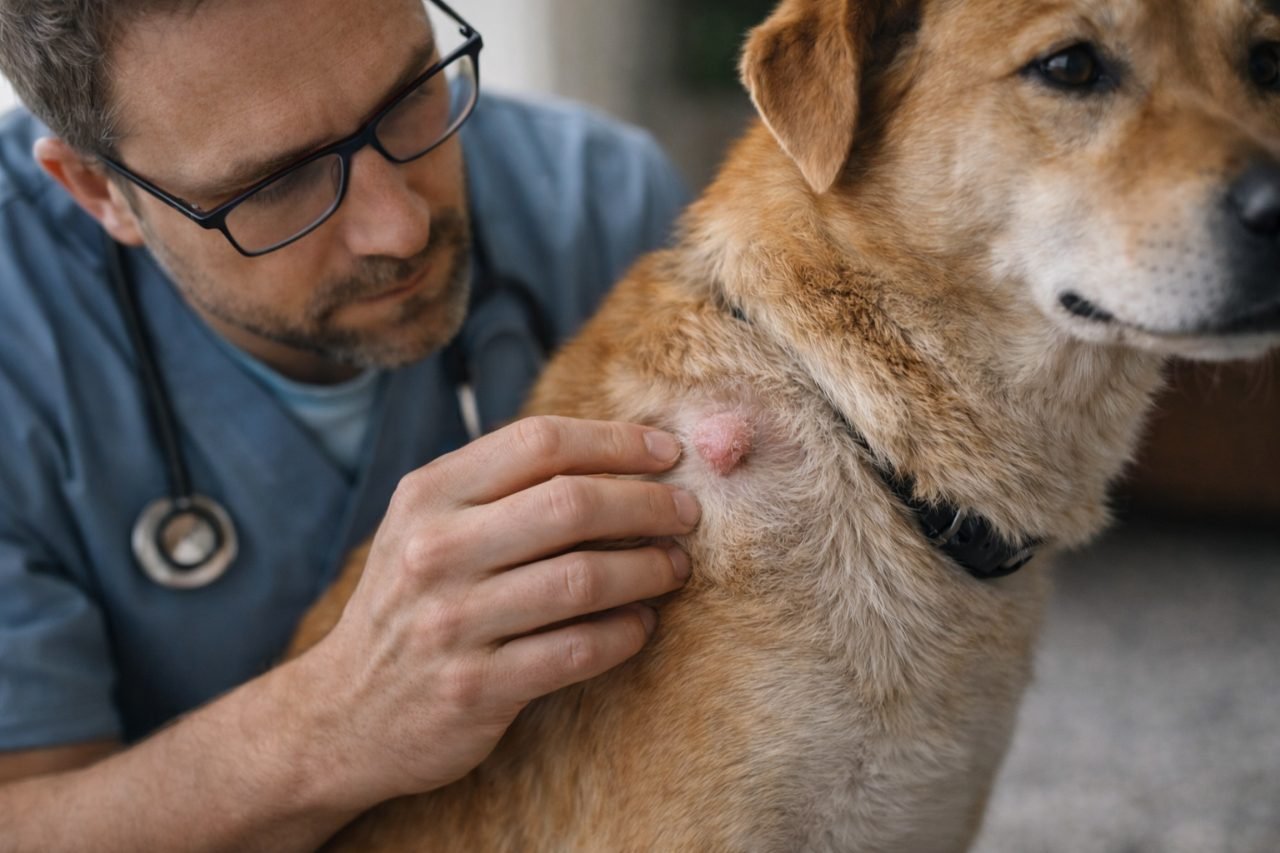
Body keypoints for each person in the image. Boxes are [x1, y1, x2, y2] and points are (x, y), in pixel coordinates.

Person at [0, 0, 700, 848]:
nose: (400, 226)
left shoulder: (597, 203)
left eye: (409, 96)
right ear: (97, 190)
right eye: (276, 182)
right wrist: (333, 720)